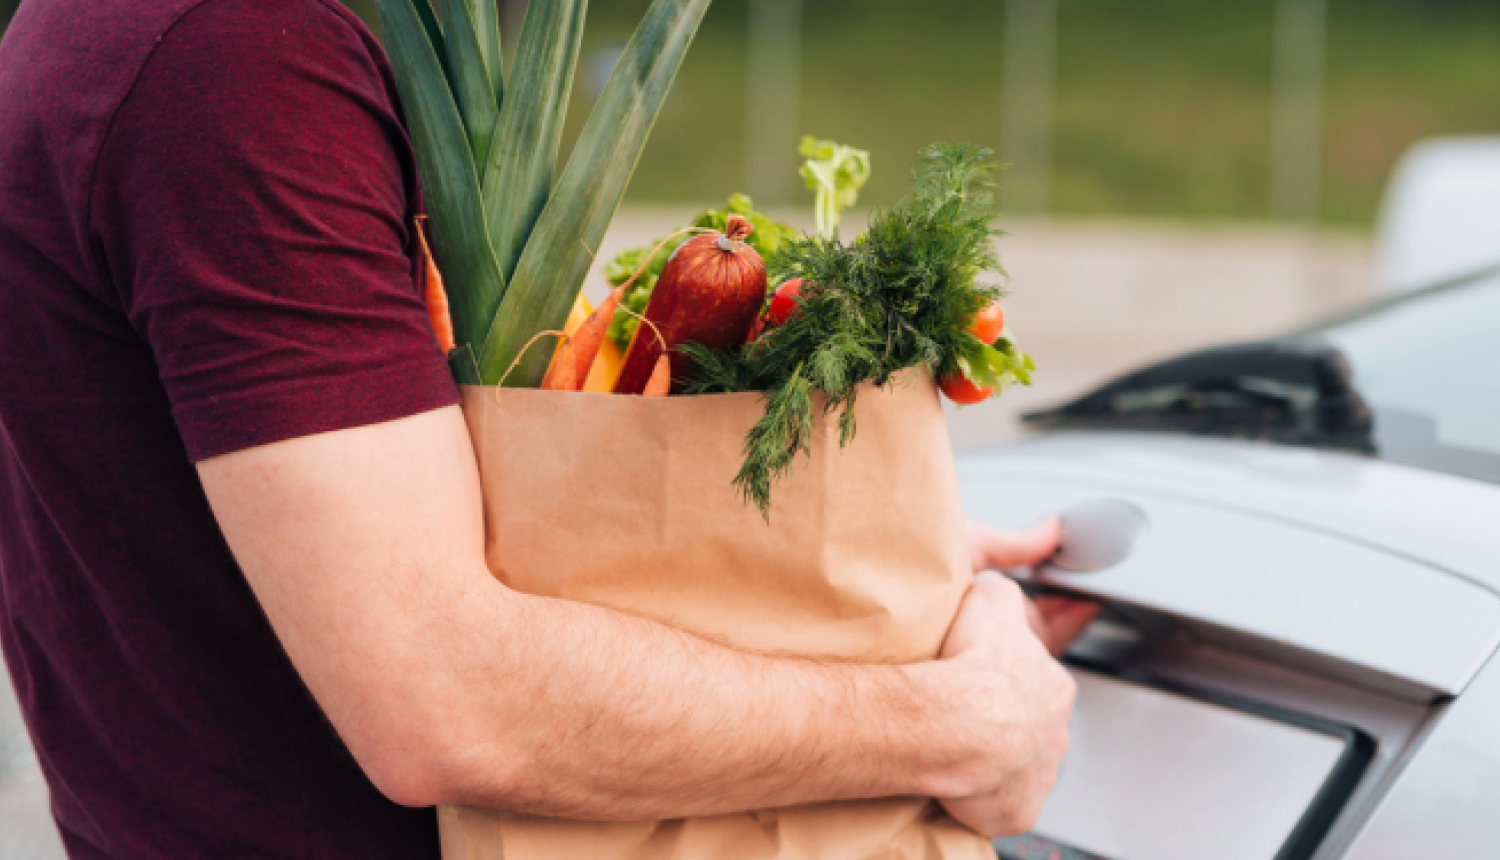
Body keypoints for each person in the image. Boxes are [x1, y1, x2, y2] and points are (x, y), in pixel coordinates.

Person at [0, 0, 1097, 857]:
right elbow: (443, 696)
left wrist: (854, 584)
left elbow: (422, 519)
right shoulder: (233, 60)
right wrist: (956, 723)